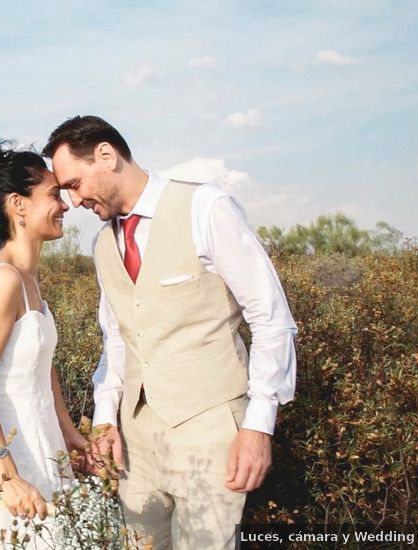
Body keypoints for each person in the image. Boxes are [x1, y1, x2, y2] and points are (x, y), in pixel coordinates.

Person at [43, 116, 297, 549]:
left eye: (75, 182)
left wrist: (259, 425)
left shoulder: (205, 208)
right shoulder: (103, 244)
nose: (74, 199)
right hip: (136, 440)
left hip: (211, 428)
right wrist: (105, 418)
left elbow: (271, 317)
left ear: (107, 155)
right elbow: (118, 337)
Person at [0, 141, 90, 548]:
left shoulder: (30, 281)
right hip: (7, 462)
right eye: (53, 194)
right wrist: (7, 478)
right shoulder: (4, 281)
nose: (65, 205)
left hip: (43, 448)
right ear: (18, 205)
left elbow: (43, 368)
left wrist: (69, 433)